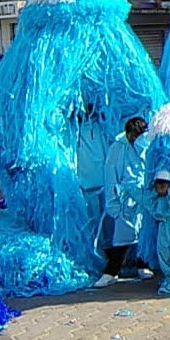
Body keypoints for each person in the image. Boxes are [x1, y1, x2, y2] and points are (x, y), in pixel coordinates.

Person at [94, 117, 153, 288]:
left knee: (144, 232)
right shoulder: (117, 148)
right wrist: (113, 201)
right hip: (125, 198)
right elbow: (110, 175)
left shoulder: (146, 145)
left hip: (143, 196)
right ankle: (112, 271)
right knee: (123, 236)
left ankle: (143, 264)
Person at [74, 104, 111, 247]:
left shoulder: (99, 126)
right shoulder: (74, 130)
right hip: (87, 185)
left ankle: (112, 254)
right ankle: (98, 252)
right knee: (93, 224)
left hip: (104, 183)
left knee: (109, 222)